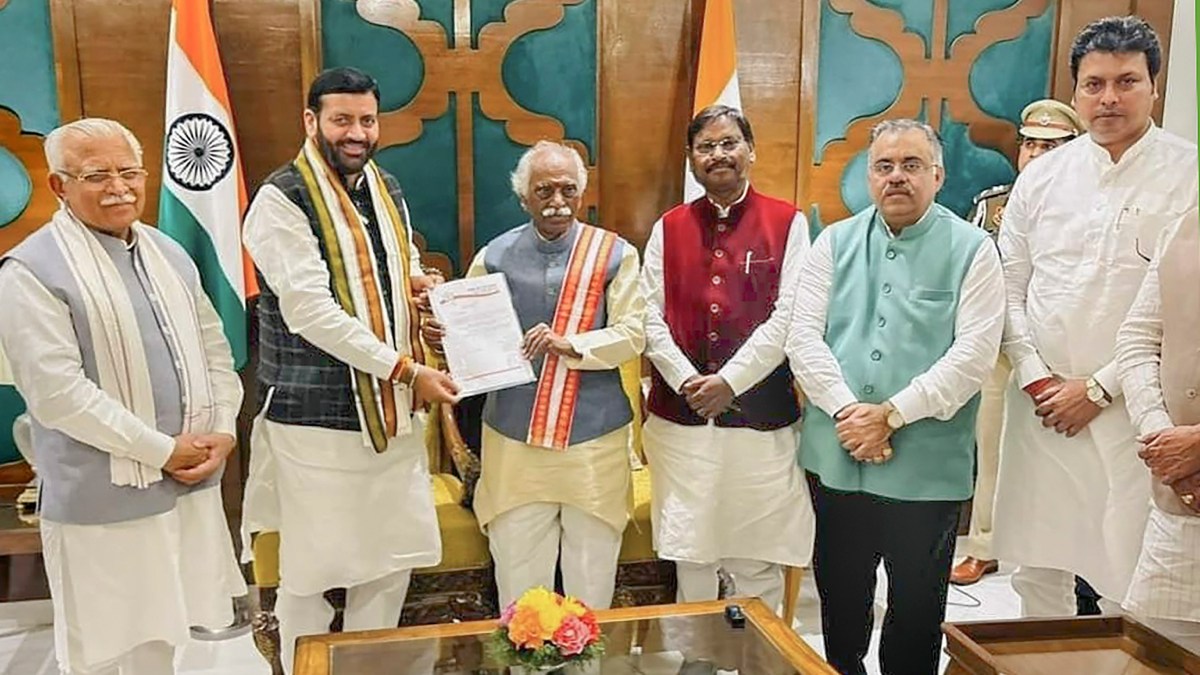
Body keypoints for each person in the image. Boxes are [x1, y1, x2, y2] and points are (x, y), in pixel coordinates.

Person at [0, 118, 246, 675]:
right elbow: (58, 394)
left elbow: (214, 349)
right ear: (60, 186)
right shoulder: (31, 270)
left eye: (129, 171)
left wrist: (223, 429)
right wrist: (162, 450)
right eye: (97, 175)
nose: (119, 187)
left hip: (187, 484)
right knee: (103, 649)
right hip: (102, 499)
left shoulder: (166, 251)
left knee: (163, 638)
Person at [239, 67, 458, 674]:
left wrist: (420, 289)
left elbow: (400, 262)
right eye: (341, 120)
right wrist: (407, 371)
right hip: (315, 422)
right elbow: (311, 312)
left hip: (390, 419)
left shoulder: (384, 186)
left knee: (389, 564)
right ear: (311, 121)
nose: (356, 133)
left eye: (366, 120)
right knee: (312, 574)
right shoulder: (282, 199)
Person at [992, 15, 1199, 617]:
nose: (1109, 98)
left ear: (1154, 87)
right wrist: (1037, 377)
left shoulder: (1189, 176)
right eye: (1094, 84)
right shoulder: (1042, 177)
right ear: (1077, 91)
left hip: (1133, 409)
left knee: (1125, 573)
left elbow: (1171, 316)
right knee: (1038, 570)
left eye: (1126, 82)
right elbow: (1010, 285)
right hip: (1041, 407)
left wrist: (1098, 389)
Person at [788, 118, 1005, 675]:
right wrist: (849, 412)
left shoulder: (973, 249)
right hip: (839, 455)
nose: (896, 177)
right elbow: (803, 337)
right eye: (884, 166)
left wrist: (890, 415)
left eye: (911, 165)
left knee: (916, 608)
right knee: (840, 596)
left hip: (926, 465)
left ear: (938, 175)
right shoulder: (834, 242)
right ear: (869, 176)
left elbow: (974, 355)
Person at [433, 140, 645, 610]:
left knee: (591, 581)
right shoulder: (494, 255)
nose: (557, 202)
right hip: (514, 441)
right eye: (544, 190)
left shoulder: (615, 254)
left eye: (568, 190)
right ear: (523, 197)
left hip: (594, 440)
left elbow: (635, 334)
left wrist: (572, 344)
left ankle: (587, 656)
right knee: (519, 576)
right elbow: (465, 334)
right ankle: (523, 652)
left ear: (582, 193)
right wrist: (443, 334)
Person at [641, 105, 814, 614]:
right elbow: (647, 314)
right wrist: (687, 380)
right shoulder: (669, 227)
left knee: (755, 556)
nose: (718, 154)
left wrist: (731, 382)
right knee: (690, 554)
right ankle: (694, 648)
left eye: (729, 143)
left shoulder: (787, 222)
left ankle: (757, 650)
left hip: (760, 420)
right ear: (691, 158)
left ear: (750, 151)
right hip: (682, 422)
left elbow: (790, 316)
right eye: (705, 147)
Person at [952, 98, 1085, 586]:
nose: (1037, 155)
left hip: (1063, 350)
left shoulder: (1089, 206)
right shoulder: (993, 205)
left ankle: (1054, 554)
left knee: (1059, 455)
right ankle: (985, 547)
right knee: (991, 448)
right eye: (1030, 145)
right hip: (1000, 347)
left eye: (1051, 146)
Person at [1116, 207, 1200, 653]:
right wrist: (1161, 439)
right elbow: (1137, 339)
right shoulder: (1182, 228)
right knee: (1158, 650)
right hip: (1181, 505)